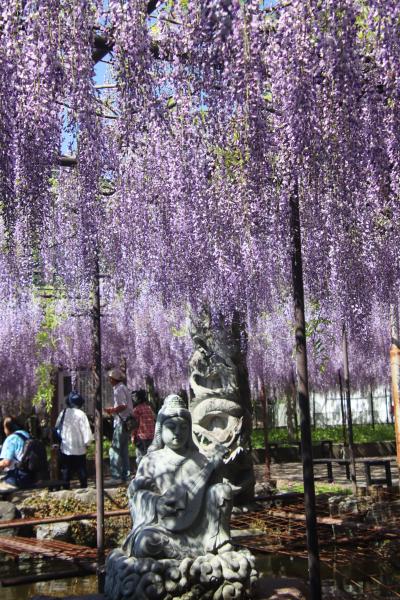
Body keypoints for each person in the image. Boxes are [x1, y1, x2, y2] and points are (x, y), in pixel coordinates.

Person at [123, 394, 232, 560]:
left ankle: (217, 542)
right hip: (163, 528)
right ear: (160, 429)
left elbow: (212, 492)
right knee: (146, 543)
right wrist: (155, 503)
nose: (177, 432)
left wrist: (217, 469)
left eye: (183, 427)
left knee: (222, 490)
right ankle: (188, 554)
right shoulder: (150, 460)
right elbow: (136, 496)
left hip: (200, 529)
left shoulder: (200, 459)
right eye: (171, 427)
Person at [56, 391, 93, 489]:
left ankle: (65, 487)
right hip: (79, 447)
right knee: (81, 469)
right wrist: (88, 442)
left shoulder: (63, 413)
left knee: (66, 469)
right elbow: (86, 430)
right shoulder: (81, 414)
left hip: (65, 446)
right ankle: (84, 487)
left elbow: (57, 427)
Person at [105, 368, 133, 482]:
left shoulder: (118, 389)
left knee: (115, 449)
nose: (109, 380)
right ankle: (126, 475)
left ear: (113, 379)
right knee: (124, 450)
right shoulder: (123, 387)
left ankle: (116, 476)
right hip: (126, 422)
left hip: (121, 422)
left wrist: (111, 410)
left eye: (110, 378)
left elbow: (123, 405)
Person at [0, 416, 32, 490]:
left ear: (7, 428)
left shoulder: (11, 439)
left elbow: (6, 462)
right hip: (32, 475)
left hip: (20, 476)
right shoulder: (26, 434)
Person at [131, 389, 155, 466]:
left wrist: (133, 436)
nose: (133, 399)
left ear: (139, 398)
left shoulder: (136, 410)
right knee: (150, 457)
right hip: (151, 435)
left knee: (140, 457)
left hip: (141, 436)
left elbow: (135, 425)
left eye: (135, 397)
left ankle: (141, 474)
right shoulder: (149, 408)